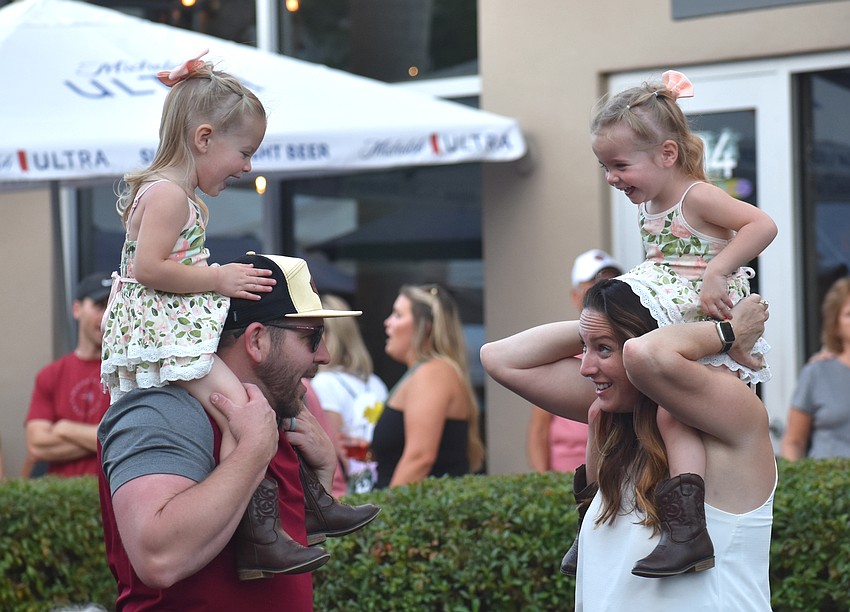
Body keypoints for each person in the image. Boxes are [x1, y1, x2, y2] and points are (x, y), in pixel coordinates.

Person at [99, 51, 337, 579]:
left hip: (163, 335)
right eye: (245, 152)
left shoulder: (171, 194)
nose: (248, 167)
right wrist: (217, 277)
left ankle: (271, 525)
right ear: (204, 138)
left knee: (244, 410)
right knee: (246, 410)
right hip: (165, 339)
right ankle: (260, 532)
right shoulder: (168, 196)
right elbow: (150, 268)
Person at [570, 69, 777, 577]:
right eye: (605, 166)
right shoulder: (651, 206)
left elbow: (762, 224)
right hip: (673, 321)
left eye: (620, 164)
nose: (612, 177)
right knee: (600, 416)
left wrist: (718, 270)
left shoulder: (696, 198)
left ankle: (688, 531)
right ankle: (588, 523)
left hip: (699, 321)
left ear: (666, 154)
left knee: (670, 417)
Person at [98, 252, 380, 610]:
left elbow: (270, 556)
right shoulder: (162, 410)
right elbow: (159, 558)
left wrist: (320, 477)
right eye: (313, 337)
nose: (323, 355)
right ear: (257, 340)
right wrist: (252, 452)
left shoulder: (272, 415)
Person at [481, 279, 776, 610]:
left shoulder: (734, 424)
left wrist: (724, 332)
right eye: (584, 347)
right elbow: (498, 357)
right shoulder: (619, 417)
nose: (586, 367)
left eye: (604, 349)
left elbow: (644, 353)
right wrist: (601, 322)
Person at [371, 283, 485, 489]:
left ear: (425, 327)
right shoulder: (426, 372)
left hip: (409, 513)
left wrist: (385, 515)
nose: (387, 322)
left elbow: (420, 458)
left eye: (397, 315)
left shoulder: (433, 373)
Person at [527, 249, 622, 473]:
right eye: (595, 284)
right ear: (575, 296)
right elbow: (539, 428)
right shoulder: (559, 352)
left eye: (612, 283)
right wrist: (545, 483)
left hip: (614, 475)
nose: (604, 292)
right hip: (565, 480)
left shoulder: (631, 349)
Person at [25, 271, 112, 477]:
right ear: (76, 309)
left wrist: (64, 429)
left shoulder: (129, 374)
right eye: (99, 306)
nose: (106, 317)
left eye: (112, 307)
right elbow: (36, 445)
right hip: (62, 500)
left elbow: (129, 439)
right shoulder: (51, 374)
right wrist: (103, 439)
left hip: (111, 495)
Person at [312, 294, 388, 494]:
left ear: (327, 335)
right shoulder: (376, 383)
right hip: (379, 481)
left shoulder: (324, 383)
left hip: (350, 489)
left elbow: (333, 448)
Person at [780, 276, 850, 460]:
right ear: (835, 324)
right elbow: (793, 442)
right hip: (827, 483)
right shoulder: (816, 372)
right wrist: (796, 483)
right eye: (849, 314)